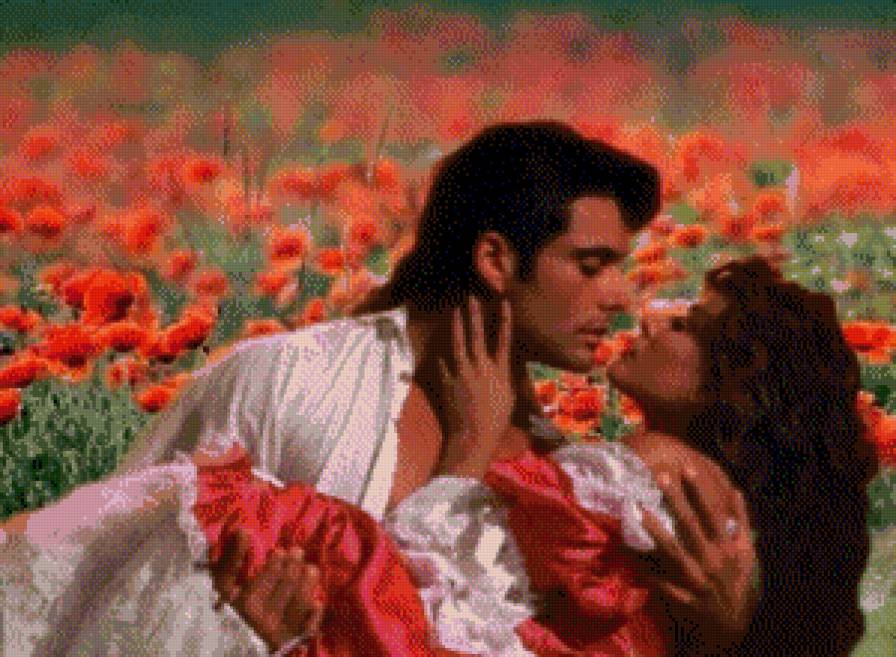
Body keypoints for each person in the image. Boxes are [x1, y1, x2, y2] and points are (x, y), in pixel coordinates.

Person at [0, 121, 756, 655]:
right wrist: (231, 633)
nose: (621, 298)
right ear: (496, 260)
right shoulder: (289, 382)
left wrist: (717, 630)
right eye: (591, 266)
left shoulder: (564, 479)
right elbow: (91, 589)